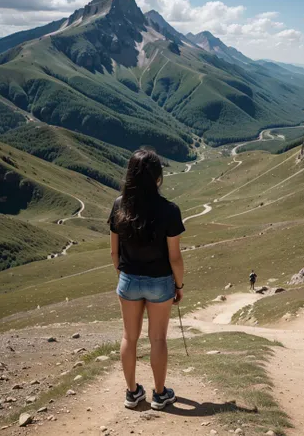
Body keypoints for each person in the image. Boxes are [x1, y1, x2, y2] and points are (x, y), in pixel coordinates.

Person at [109, 148, 185, 411]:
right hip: (160, 282)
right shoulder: (170, 210)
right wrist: (179, 285)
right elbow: (175, 257)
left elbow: (114, 252)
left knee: (129, 338)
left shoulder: (119, 205)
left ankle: (132, 393)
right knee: (158, 339)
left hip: (128, 280)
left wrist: (125, 275)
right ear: (157, 177)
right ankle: (160, 394)